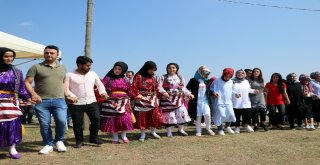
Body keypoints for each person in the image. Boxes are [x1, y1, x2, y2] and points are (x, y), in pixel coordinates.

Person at [25, 45, 68, 154]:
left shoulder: (63, 68)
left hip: (60, 100)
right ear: (44, 54)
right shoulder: (36, 67)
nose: (49, 54)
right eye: (46, 52)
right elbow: (27, 82)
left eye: (52, 53)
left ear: (57, 55)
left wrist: (67, 94)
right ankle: (48, 144)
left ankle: (59, 141)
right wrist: (33, 94)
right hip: (41, 101)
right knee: (45, 124)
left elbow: (63, 83)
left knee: (62, 122)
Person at [65, 56, 108, 148]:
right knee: (77, 123)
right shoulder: (69, 75)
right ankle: (79, 141)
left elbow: (100, 85)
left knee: (96, 119)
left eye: (90, 65)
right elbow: (66, 88)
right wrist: (72, 96)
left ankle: (93, 138)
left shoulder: (93, 74)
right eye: (87, 65)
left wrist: (103, 92)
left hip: (91, 101)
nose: (89, 67)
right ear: (80, 65)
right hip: (76, 103)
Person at [0, 47, 31, 159]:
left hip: (10, 102)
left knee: (13, 125)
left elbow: (22, 88)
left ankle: (12, 149)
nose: (9, 59)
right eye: (6, 56)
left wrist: (29, 97)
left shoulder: (17, 72)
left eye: (11, 56)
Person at [100, 61, 135, 144]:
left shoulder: (125, 79)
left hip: (124, 102)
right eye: (115, 68)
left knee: (125, 119)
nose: (117, 70)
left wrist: (136, 96)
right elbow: (101, 87)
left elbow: (129, 90)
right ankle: (115, 138)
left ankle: (124, 136)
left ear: (123, 70)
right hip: (111, 101)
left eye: (119, 69)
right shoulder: (108, 78)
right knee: (113, 119)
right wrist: (104, 94)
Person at [159, 63, 194, 137]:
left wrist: (189, 94)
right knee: (169, 116)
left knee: (182, 113)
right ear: (167, 69)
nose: (171, 69)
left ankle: (181, 130)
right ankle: (169, 132)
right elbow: (159, 87)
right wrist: (164, 92)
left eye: (173, 68)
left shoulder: (180, 77)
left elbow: (183, 88)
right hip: (167, 99)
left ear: (176, 69)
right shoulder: (163, 77)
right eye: (169, 68)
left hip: (178, 99)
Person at [131, 61, 163, 141]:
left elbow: (158, 87)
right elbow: (134, 87)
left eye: (154, 70)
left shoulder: (155, 77)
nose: (152, 71)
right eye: (151, 69)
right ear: (146, 68)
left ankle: (153, 132)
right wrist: (137, 95)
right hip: (141, 99)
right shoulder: (138, 76)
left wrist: (163, 93)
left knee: (154, 115)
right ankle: (143, 134)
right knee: (142, 117)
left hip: (152, 99)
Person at [187, 66, 215, 136]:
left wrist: (214, 93)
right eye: (203, 72)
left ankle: (208, 128)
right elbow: (187, 89)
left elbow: (209, 91)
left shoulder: (207, 81)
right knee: (198, 116)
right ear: (199, 72)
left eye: (207, 74)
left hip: (205, 101)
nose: (206, 75)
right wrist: (190, 94)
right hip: (196, 102)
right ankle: (198, 131)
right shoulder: (193, 80)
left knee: (207, 114)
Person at [211, 68, 236, 136]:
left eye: (229, 76)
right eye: (226, 76)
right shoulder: (217, 80)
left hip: (228, 101)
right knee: (220, 115)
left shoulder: (231, 81)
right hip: (219, 101)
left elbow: (233, 90)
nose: (227, 77)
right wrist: (214, 93)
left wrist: (236, 93)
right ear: (223, 74)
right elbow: (212, 88)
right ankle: (220, 129)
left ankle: (227, 126)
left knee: (231, 114)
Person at [232, 69, 258, 133]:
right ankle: (237, 127)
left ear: (244, 74)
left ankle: (246, 125)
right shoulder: (232, 81)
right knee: (236, 115)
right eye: (239, 73)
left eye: (242, 73)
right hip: (236, 102)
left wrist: (254, 91)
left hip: (245, 101)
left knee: (247, 115)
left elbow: (248, 89)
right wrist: (235, 93)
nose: (240, 74)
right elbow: (229, 90)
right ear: (236, 74)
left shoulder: (246, 81)